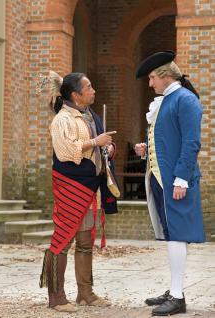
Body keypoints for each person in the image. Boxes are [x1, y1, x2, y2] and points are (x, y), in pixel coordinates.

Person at [39, 71, 118, 312]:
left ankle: (85, 293)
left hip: (91, 186)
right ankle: (57, 297)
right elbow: (66, 152)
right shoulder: (62, 119)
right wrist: (96, 143)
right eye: (89, 87)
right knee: (63, 240)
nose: (93, 90)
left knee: (85, 241)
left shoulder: (90, 116)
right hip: (71, 186)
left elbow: (98, 147)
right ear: (76, 94)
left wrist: (109, 148)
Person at [134, 51, 205, 316]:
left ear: (164, 75)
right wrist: (146, 147)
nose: (150, 83)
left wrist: (181, 178)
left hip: (176, 179)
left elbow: (191, 143)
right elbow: (167, 139)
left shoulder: (185, 100)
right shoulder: (167, 100)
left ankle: (177, 296)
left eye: (152, 77)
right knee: (171, 234)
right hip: (160, 178)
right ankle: (175, 290)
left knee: (177, 235)